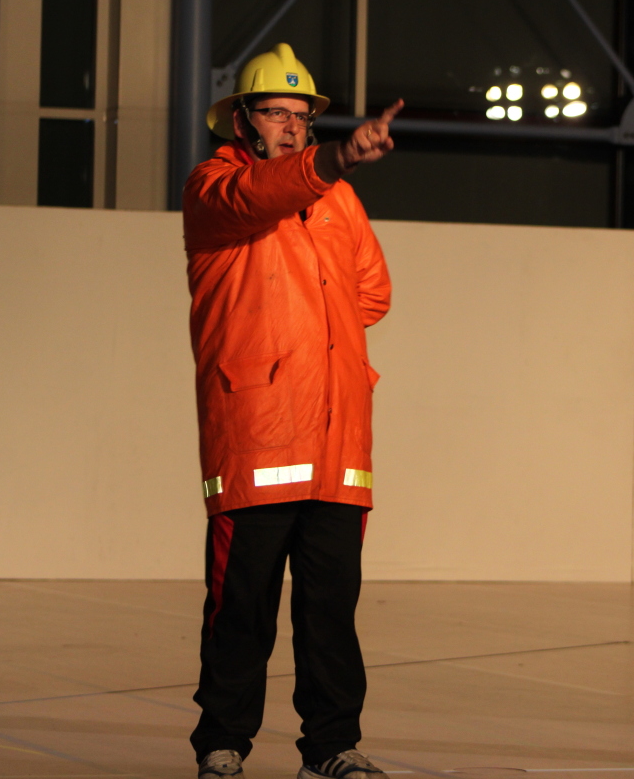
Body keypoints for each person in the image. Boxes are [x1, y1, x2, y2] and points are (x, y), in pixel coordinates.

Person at [182, 43, 403, 779]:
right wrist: (336, 158)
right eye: (275, 112)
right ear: (241, 120)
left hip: (338, 439)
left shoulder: (338, 200)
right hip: (257, 433)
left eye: (301, 116)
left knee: (330, 611)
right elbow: (259, 198)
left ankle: (332, 748)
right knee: (241, 606)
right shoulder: (215, 188)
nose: (290, 126)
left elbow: (373, 292)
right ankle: (222, 744)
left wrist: (309, 325)